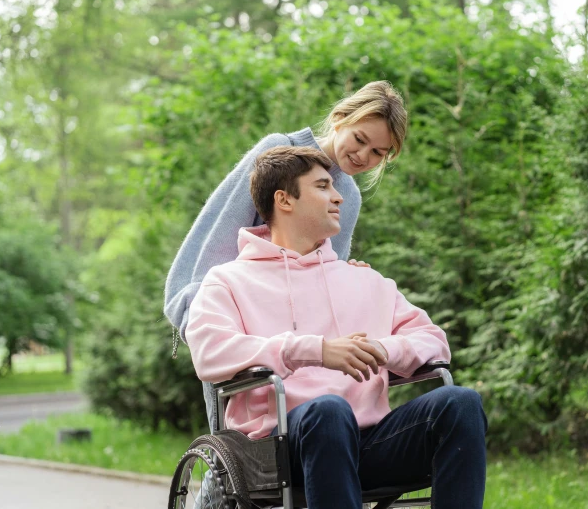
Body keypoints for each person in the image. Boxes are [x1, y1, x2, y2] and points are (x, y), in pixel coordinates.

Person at [185, 146, 488, 509]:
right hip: (277, 448)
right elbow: (210, 351)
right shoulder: (227, 281)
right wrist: (316, 350)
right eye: (323, 186)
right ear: (284, 200)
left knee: (461, 403)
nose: (339, 196)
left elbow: (434, 341)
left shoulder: (364, 280)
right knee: (328, 410)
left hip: (370, 443)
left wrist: (382, 350)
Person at [165, 81, 409, 431]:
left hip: (294, 333)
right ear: (340, 119)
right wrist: (200, 306)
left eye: (377, 153)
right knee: (237, 449)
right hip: (229, 312)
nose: (363, 156)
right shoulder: (278, 151)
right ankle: (215, 486)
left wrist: (348, 276)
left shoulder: (349, 196)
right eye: (359, 139)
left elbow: (319, 269)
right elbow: (219, 233)